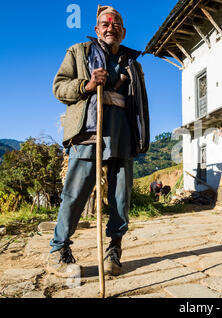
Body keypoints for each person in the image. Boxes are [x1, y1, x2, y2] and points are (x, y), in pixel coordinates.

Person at [47, 5, 149, 277]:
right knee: (74, 194)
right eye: (105, 23)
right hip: (88, 134)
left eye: (116, 24)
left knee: (120, 198)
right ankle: (59, 250)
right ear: (97, 29)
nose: (110, 27)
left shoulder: (132, 63)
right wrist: (87, 85)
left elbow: (139, 104)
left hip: (123, 136)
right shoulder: (79, 52)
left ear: (123, 31)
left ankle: (114, 249)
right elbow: (58, 87)